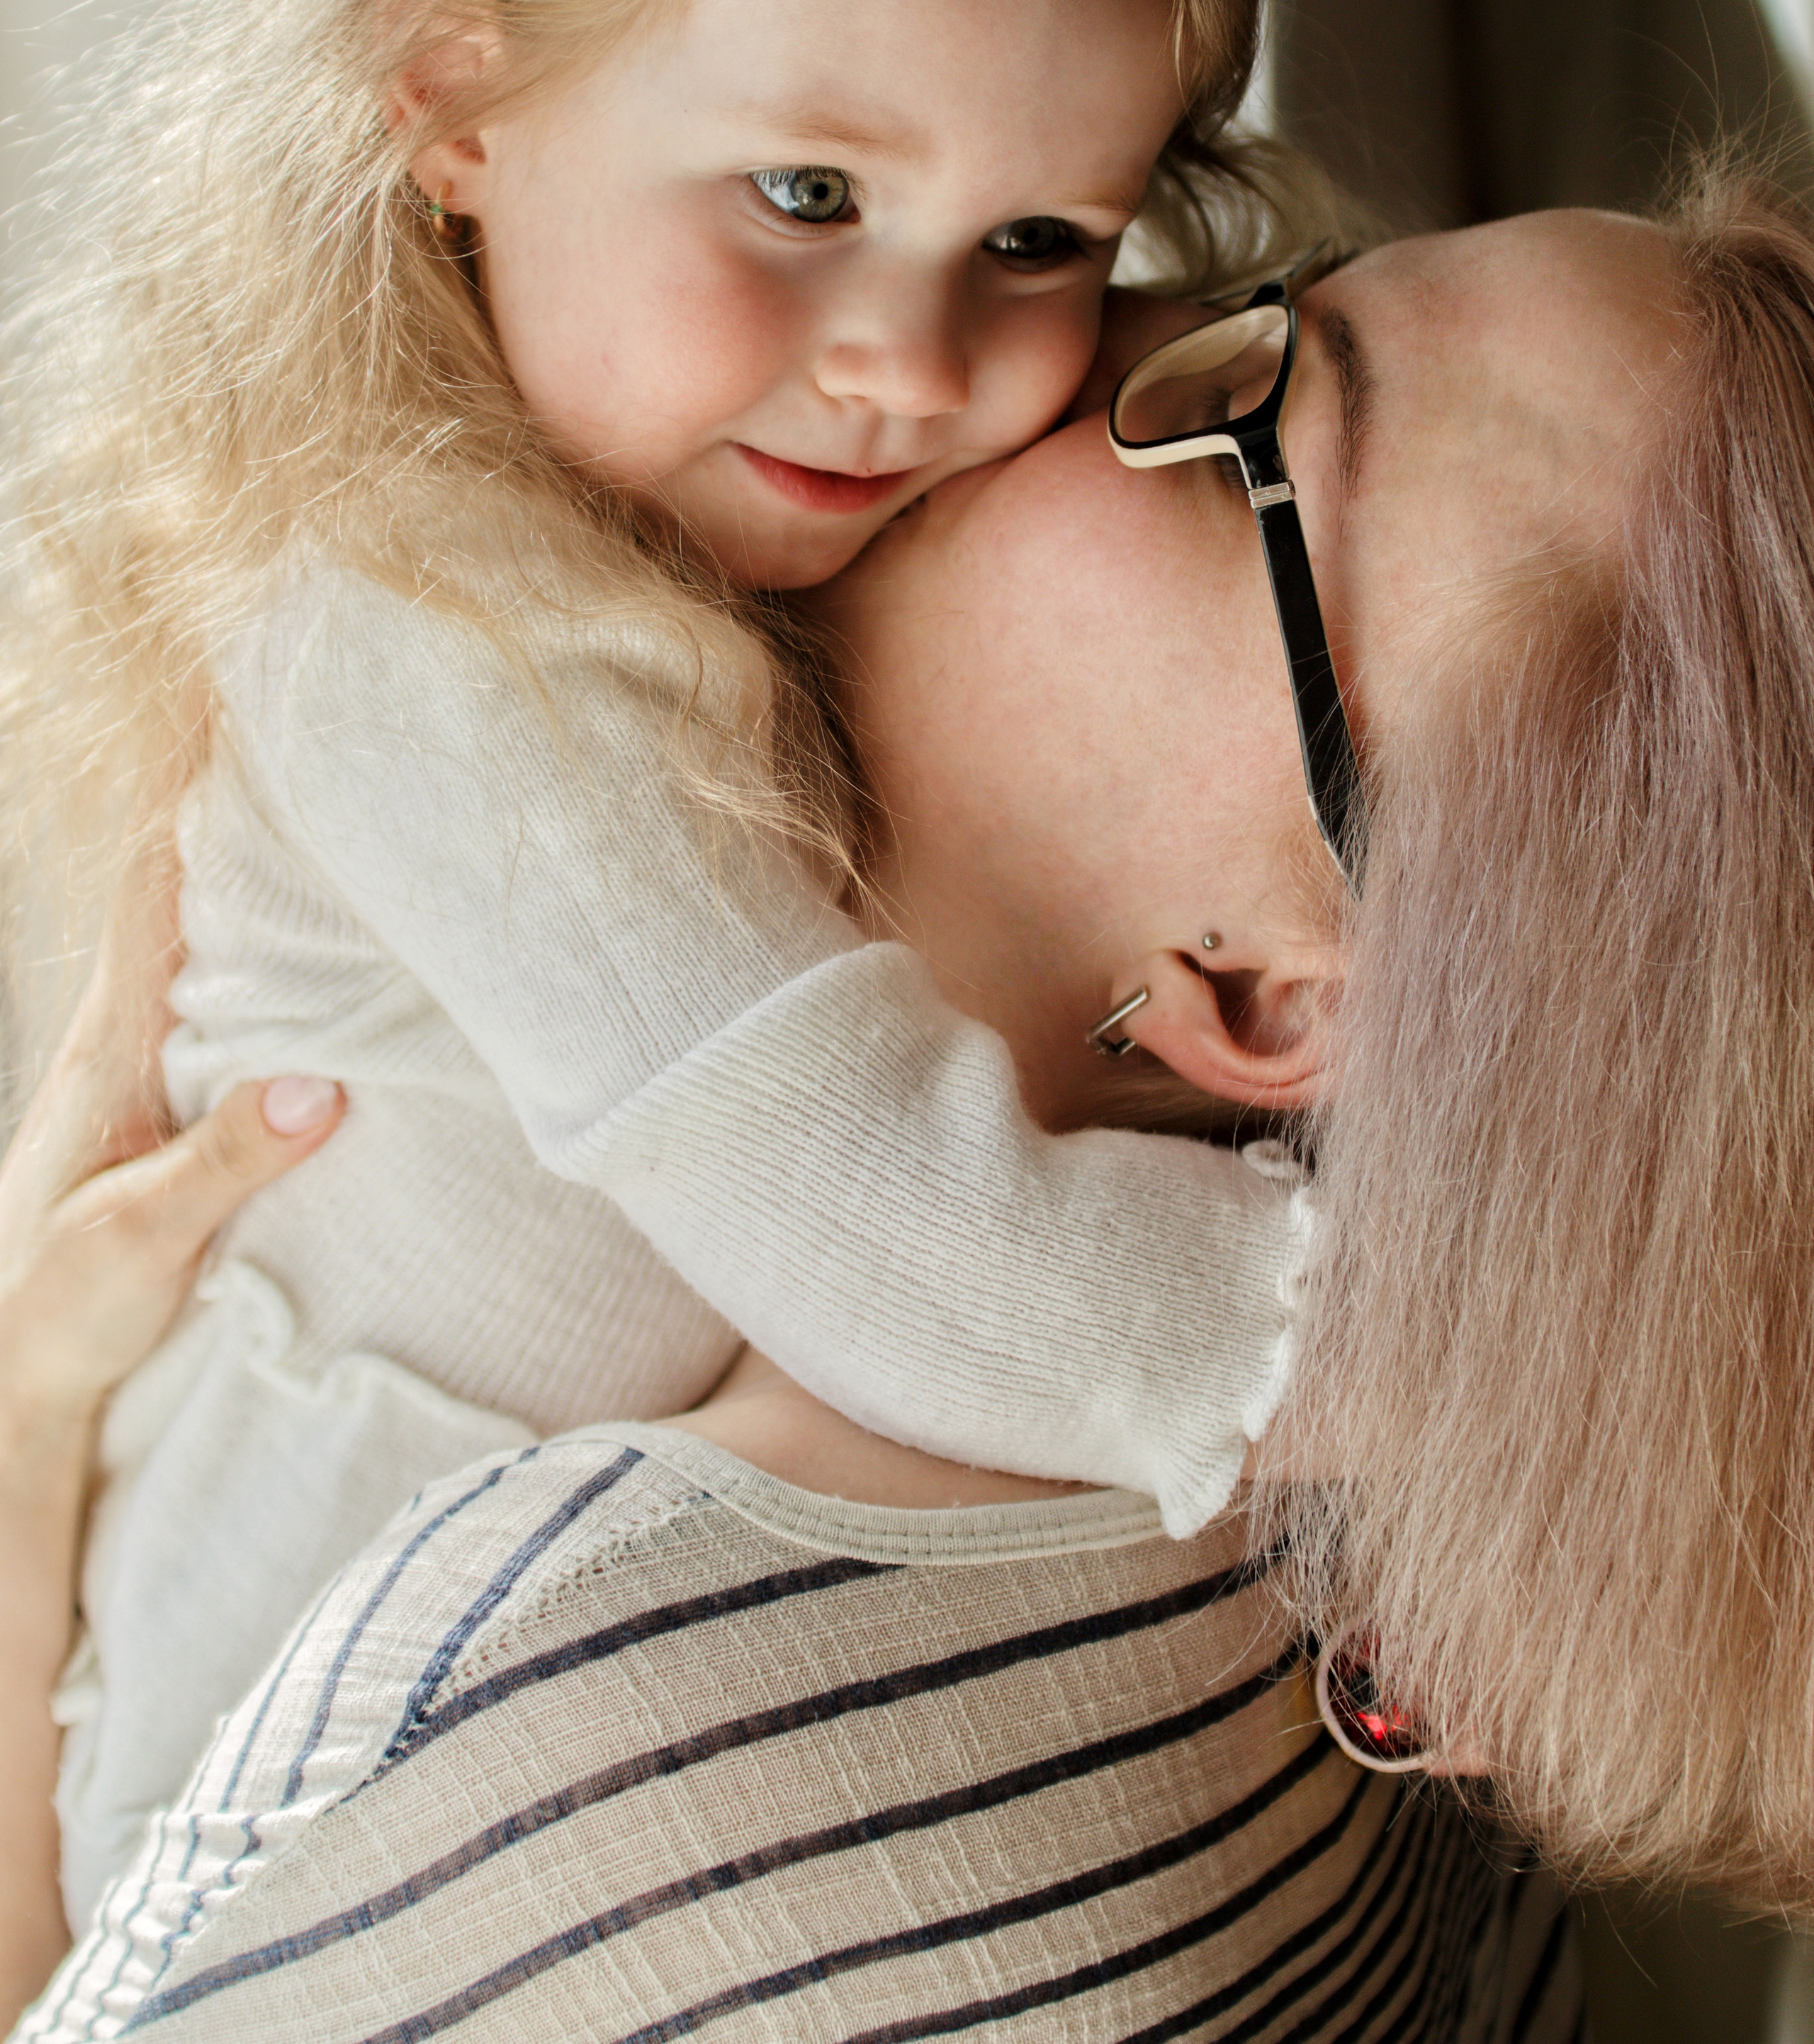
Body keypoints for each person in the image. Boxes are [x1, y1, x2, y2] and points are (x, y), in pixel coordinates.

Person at [1, 0, 1336, 1943]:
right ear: (454, 81)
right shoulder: (417, 614)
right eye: (810, 193)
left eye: (1043, 242)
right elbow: (866, 1214)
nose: (913, 363)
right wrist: (1478, 1349)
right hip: (255, 1693)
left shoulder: (765, 472)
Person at [6, 193, 1687, 2037]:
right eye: (1249, 290)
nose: (1075, 344)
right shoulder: (1330, 1554)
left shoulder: (628, 1713)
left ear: (1273, 991)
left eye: (1244, 444)